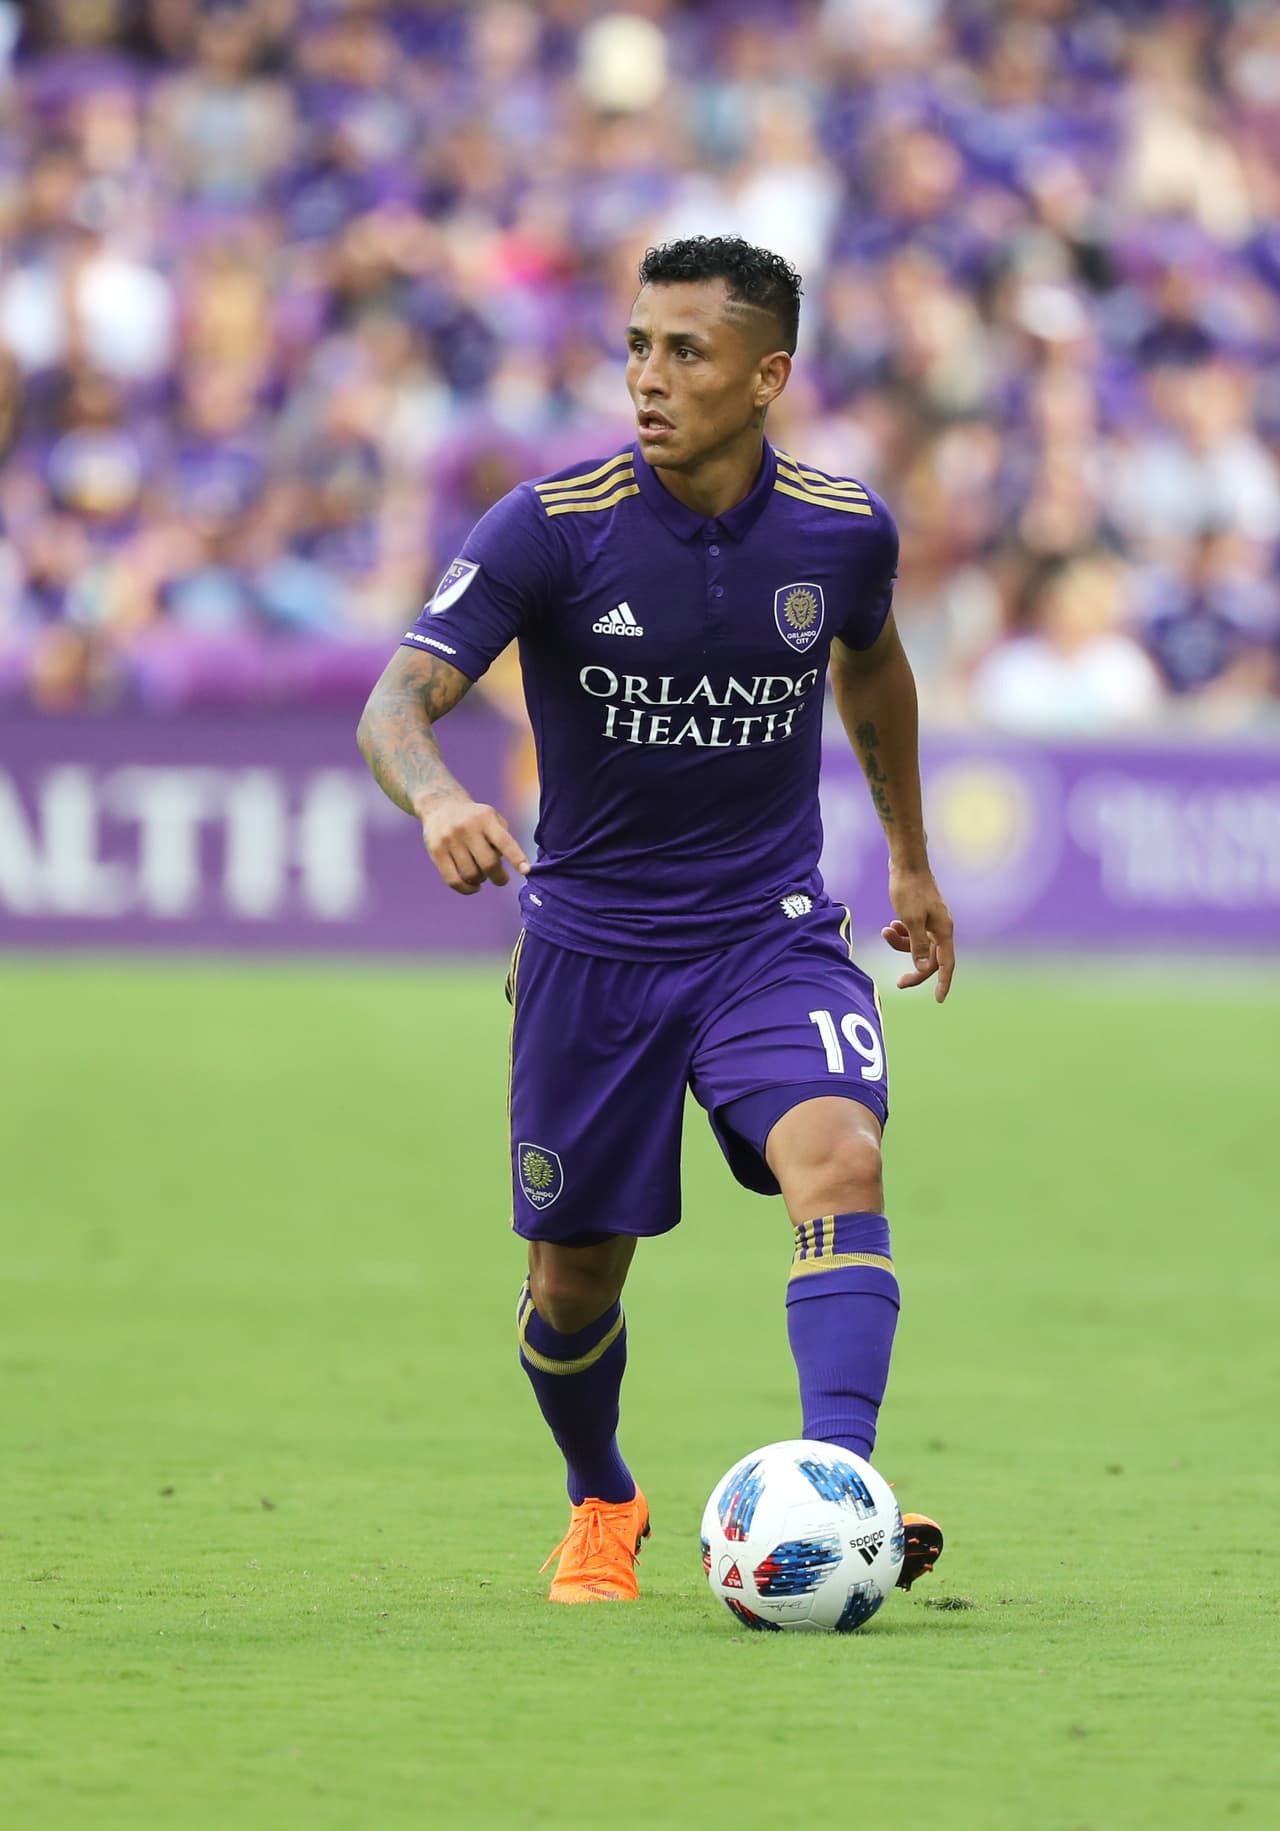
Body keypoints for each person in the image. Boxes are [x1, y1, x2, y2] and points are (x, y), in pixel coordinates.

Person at [357, 236, 955, 1609]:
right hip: (593, 952)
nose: (647, 375)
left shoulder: (841, 526)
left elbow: (873, 668)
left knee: (839, 1158)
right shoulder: (548, 525)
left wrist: (912, 863)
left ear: (768, 376)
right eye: (637, 345)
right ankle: (601, 1498)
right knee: (574, 1286)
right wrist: (441, 796)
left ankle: (838, 1493)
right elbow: (394, 706)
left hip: (772, 934)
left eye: (685, 351)